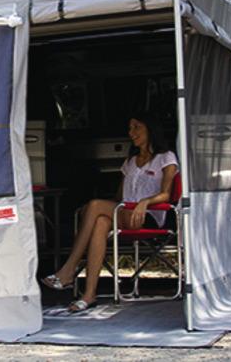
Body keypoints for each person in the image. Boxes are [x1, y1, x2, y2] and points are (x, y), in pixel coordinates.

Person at [41, 112, 178, 312]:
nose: (131, 133)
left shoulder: (166, 157)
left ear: (150, 129)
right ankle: (89, 295)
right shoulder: (130, 162)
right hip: (125, 212)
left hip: (148, 215)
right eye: (130, 128)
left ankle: (69, 269)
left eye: (136, 127)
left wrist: (145, 202)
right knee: (100, 222)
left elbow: (166, 194)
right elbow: (119, 198)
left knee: (95, 206)